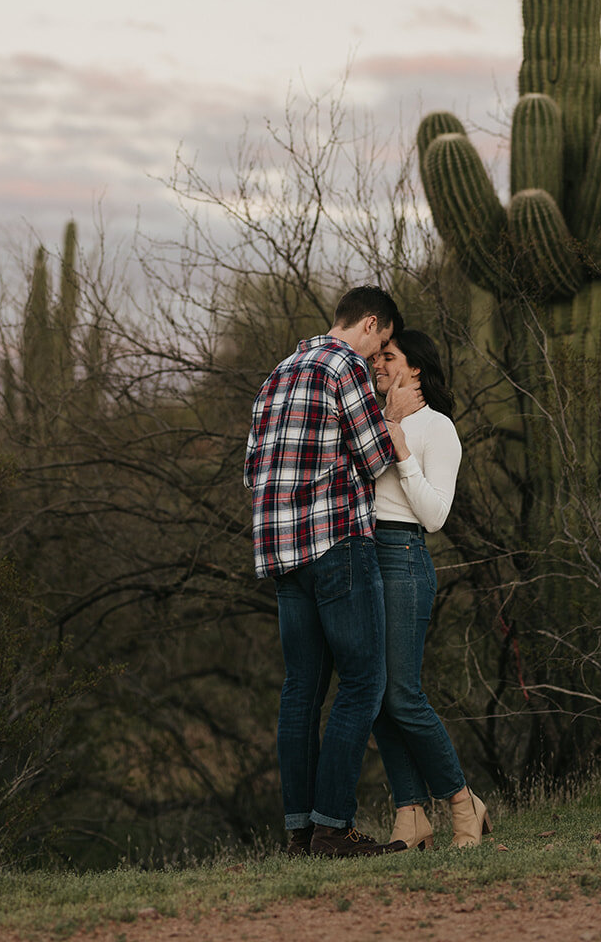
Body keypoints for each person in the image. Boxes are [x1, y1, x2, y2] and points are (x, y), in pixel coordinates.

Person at [244, 285, 418, 859]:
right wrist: (390, 414)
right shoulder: (344, 367)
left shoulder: (278, 373)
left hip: (281, 554)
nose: (378, 359)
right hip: (337, 544)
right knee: (364, 681)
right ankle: (332, 829)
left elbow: (253, 471)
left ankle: (299, 832)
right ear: (371, 324)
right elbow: (373, 459)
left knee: (301, 690)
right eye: (383, 344)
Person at [370, 328, 492, 849]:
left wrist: (402, 452)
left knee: (402, 694)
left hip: (402, 555)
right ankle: (410, 815)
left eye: (388, 357)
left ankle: (463, 804)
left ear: (414, 368)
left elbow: (437, 516)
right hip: (361, 557)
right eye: (376, 356)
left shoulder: (437, 428)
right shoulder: (374, 420)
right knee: (372, 695)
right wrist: (388, 429)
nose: (377, 364)